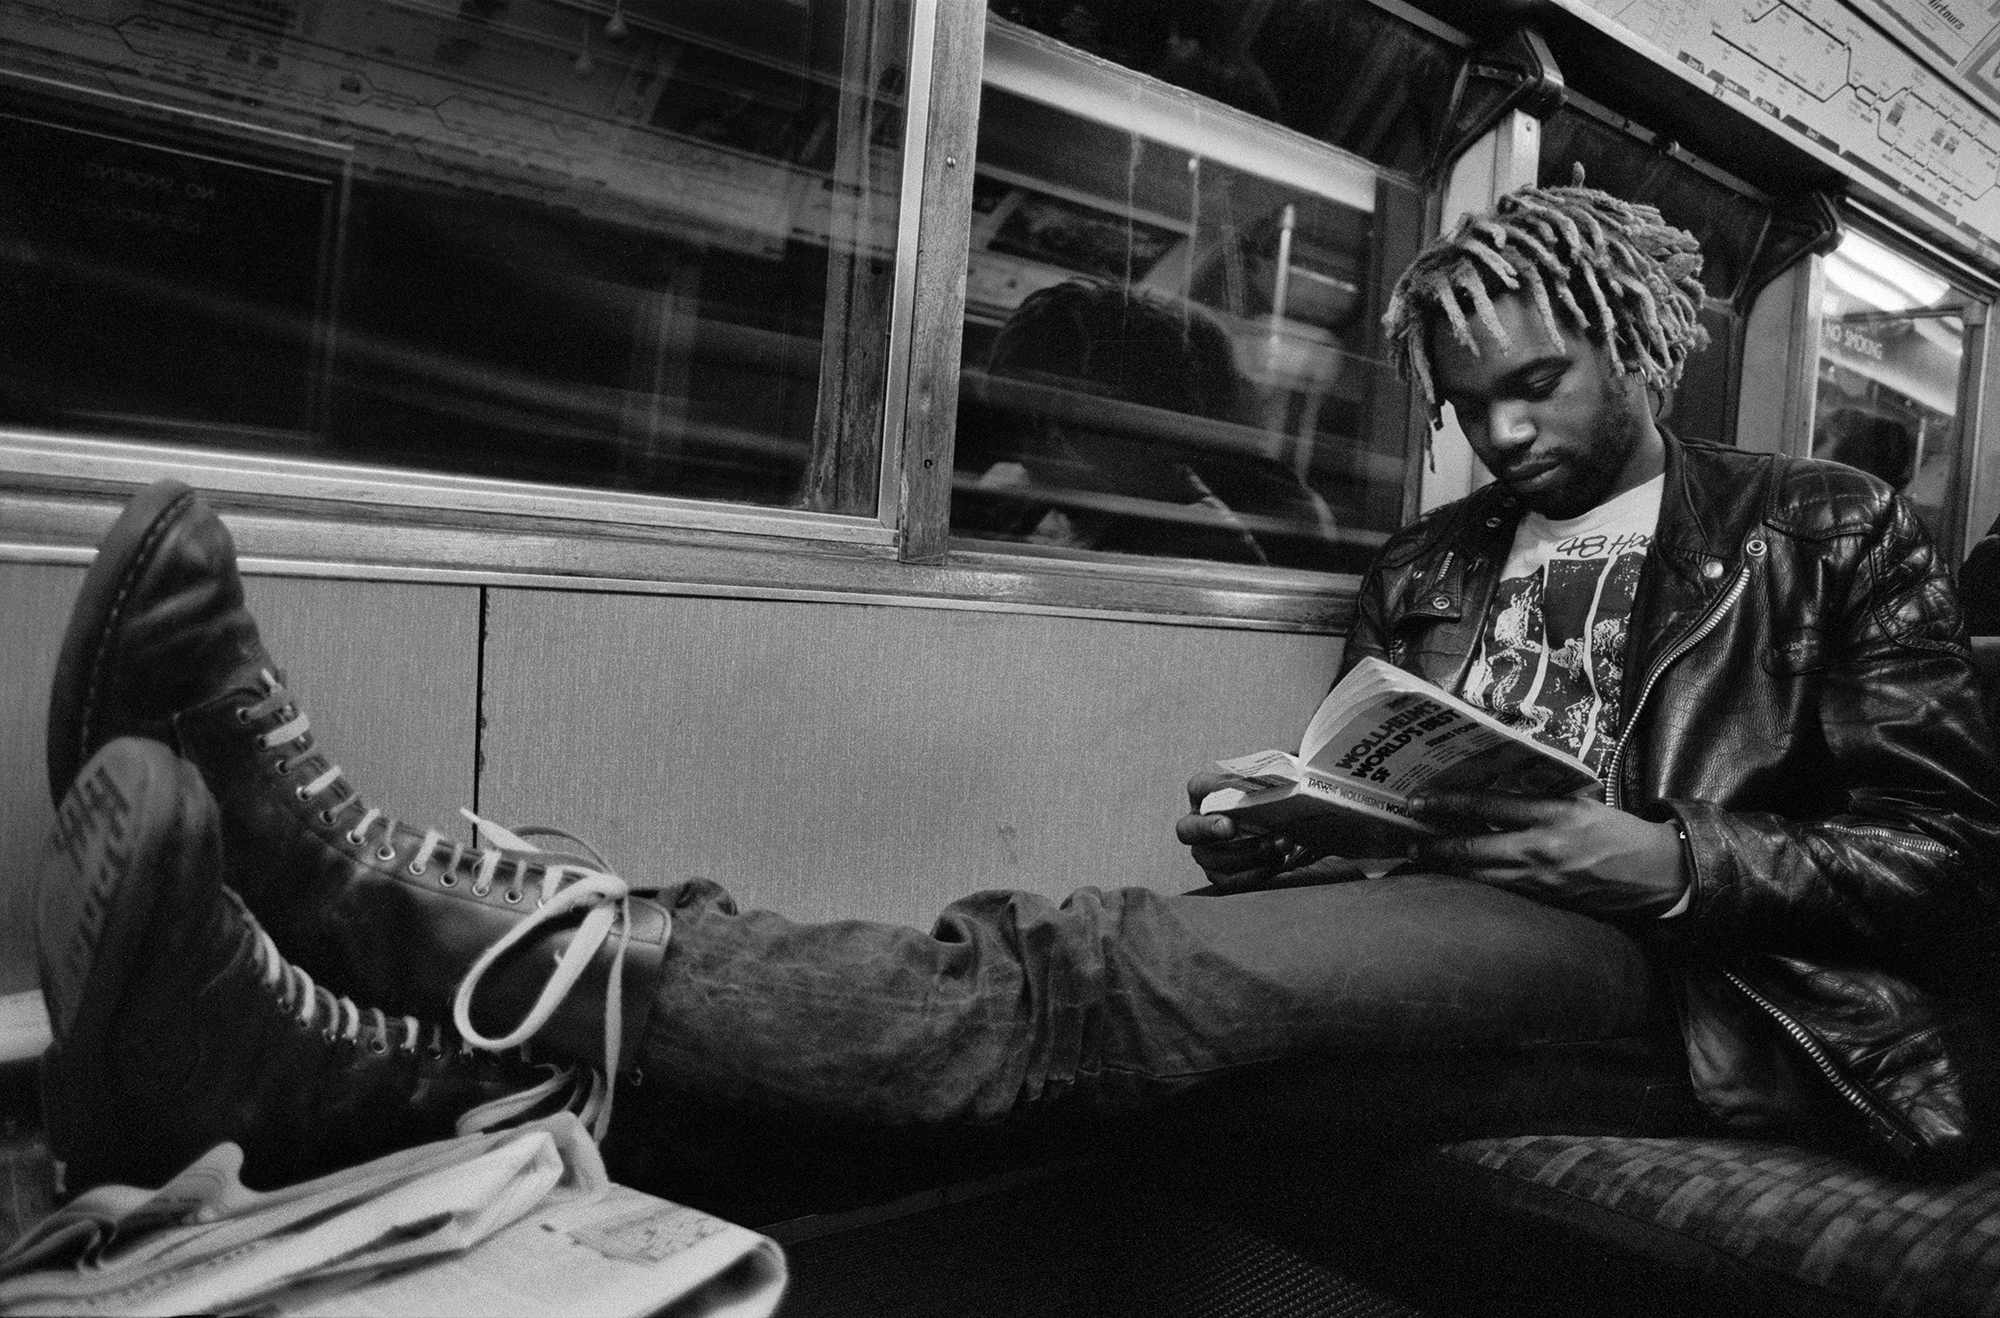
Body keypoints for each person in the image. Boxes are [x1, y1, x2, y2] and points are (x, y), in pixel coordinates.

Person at [33, 176, 2000, 1203]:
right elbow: (1370, 804)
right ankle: (339, 1093)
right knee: (1051, 1049)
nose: (1491, 438)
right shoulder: (1436, 568)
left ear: (1637, 343)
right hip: (1434, 926)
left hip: (1686, 985)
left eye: (1533, 390)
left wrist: (1646, 847)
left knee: (1095, 973)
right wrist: (1270, 820)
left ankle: (388, 908)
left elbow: (1937, 855)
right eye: (1461, 406)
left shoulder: (1820, 530)